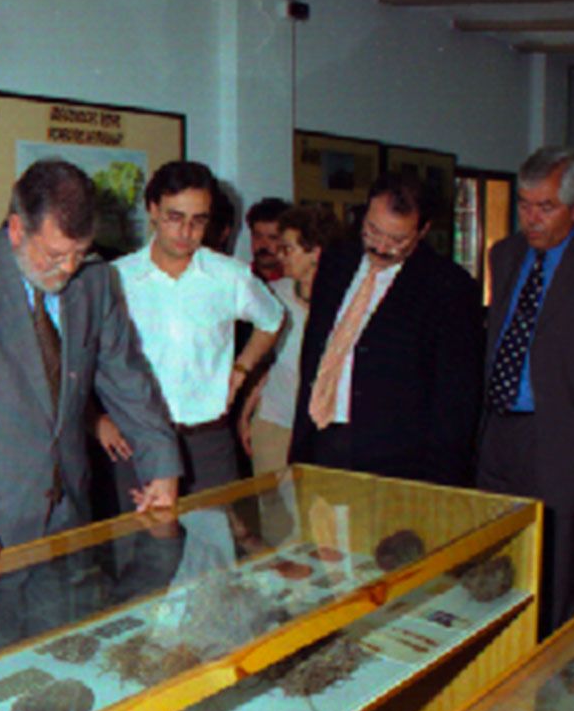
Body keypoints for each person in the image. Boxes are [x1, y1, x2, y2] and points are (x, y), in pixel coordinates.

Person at [0, 159, 181, 569]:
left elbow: (127, 376)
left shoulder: (96, 281)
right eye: (55, 255)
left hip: (70, 516)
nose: (68, 269)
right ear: (17, 229)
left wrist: (161, 463)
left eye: (80, 253)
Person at [98, 161, 284, 496]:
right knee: (137, 546)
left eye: (198, 221)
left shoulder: (230, 277)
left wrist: (241, 370)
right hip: (138, 443)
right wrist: (95, 419)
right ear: (152, 210)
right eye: (175, 217)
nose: (186, 232)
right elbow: (82, 357)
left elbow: (272, 320)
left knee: (214, 545)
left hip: (208, 444)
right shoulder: (115, 280)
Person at [289, 173, 483, 486]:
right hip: (322, 442)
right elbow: (315, 351)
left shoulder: (449, 288)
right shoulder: (336, 260)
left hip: (396, 463)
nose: (380, 247)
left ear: (422, 231)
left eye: (397, 240)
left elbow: (454, 401)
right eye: (373, 231)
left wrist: (438, 485)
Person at [476, 147, 574, 635]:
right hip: (497, 431)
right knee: (494, 561)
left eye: (545, 207)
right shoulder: (504, 255)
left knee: (555, 570)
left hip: (560, 435)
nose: (530, 217)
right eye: (524, 204)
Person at [239, 205, 344, 476]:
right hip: (275, 421)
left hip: (323, 428)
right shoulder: (274, 295)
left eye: (288, 249)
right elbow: (267, 363)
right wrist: (247, 414)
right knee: (274, 513)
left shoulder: (346, 303)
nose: (278, 254)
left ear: (315, 252)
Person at [246, 197, 290, 282]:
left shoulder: (298, 284)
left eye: (272, 238)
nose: (263, 245)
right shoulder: (239, 278)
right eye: (258, 236)